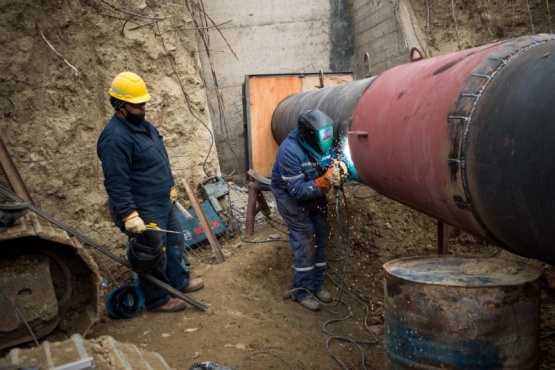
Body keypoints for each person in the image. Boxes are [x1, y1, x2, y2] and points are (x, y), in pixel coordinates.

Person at [97, 71, 204, 313]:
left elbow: (158, 160)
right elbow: (116, 182)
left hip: (160, 200)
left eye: (144, 102)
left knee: (175, 243)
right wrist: (128, 214)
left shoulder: (144, 127)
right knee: (152, 254)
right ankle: (158, 300)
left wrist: (170, 187)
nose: (143, 107)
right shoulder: (114, 139)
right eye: (137, 105)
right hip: (141, 206)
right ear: (120, 105)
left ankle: (179, 283)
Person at [270, 109, 345, 311]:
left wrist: (343, 167)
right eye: (323, 137)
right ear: (309, 134)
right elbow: (298, 191)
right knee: (305, 240)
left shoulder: (324, 142)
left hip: (314, 195)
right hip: (292, 199)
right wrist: (324, 181)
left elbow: (336, 157)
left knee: (321, 236)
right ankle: (301, 291)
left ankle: (316, 285)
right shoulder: (289, 151)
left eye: (328, 135)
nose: (326, 142)